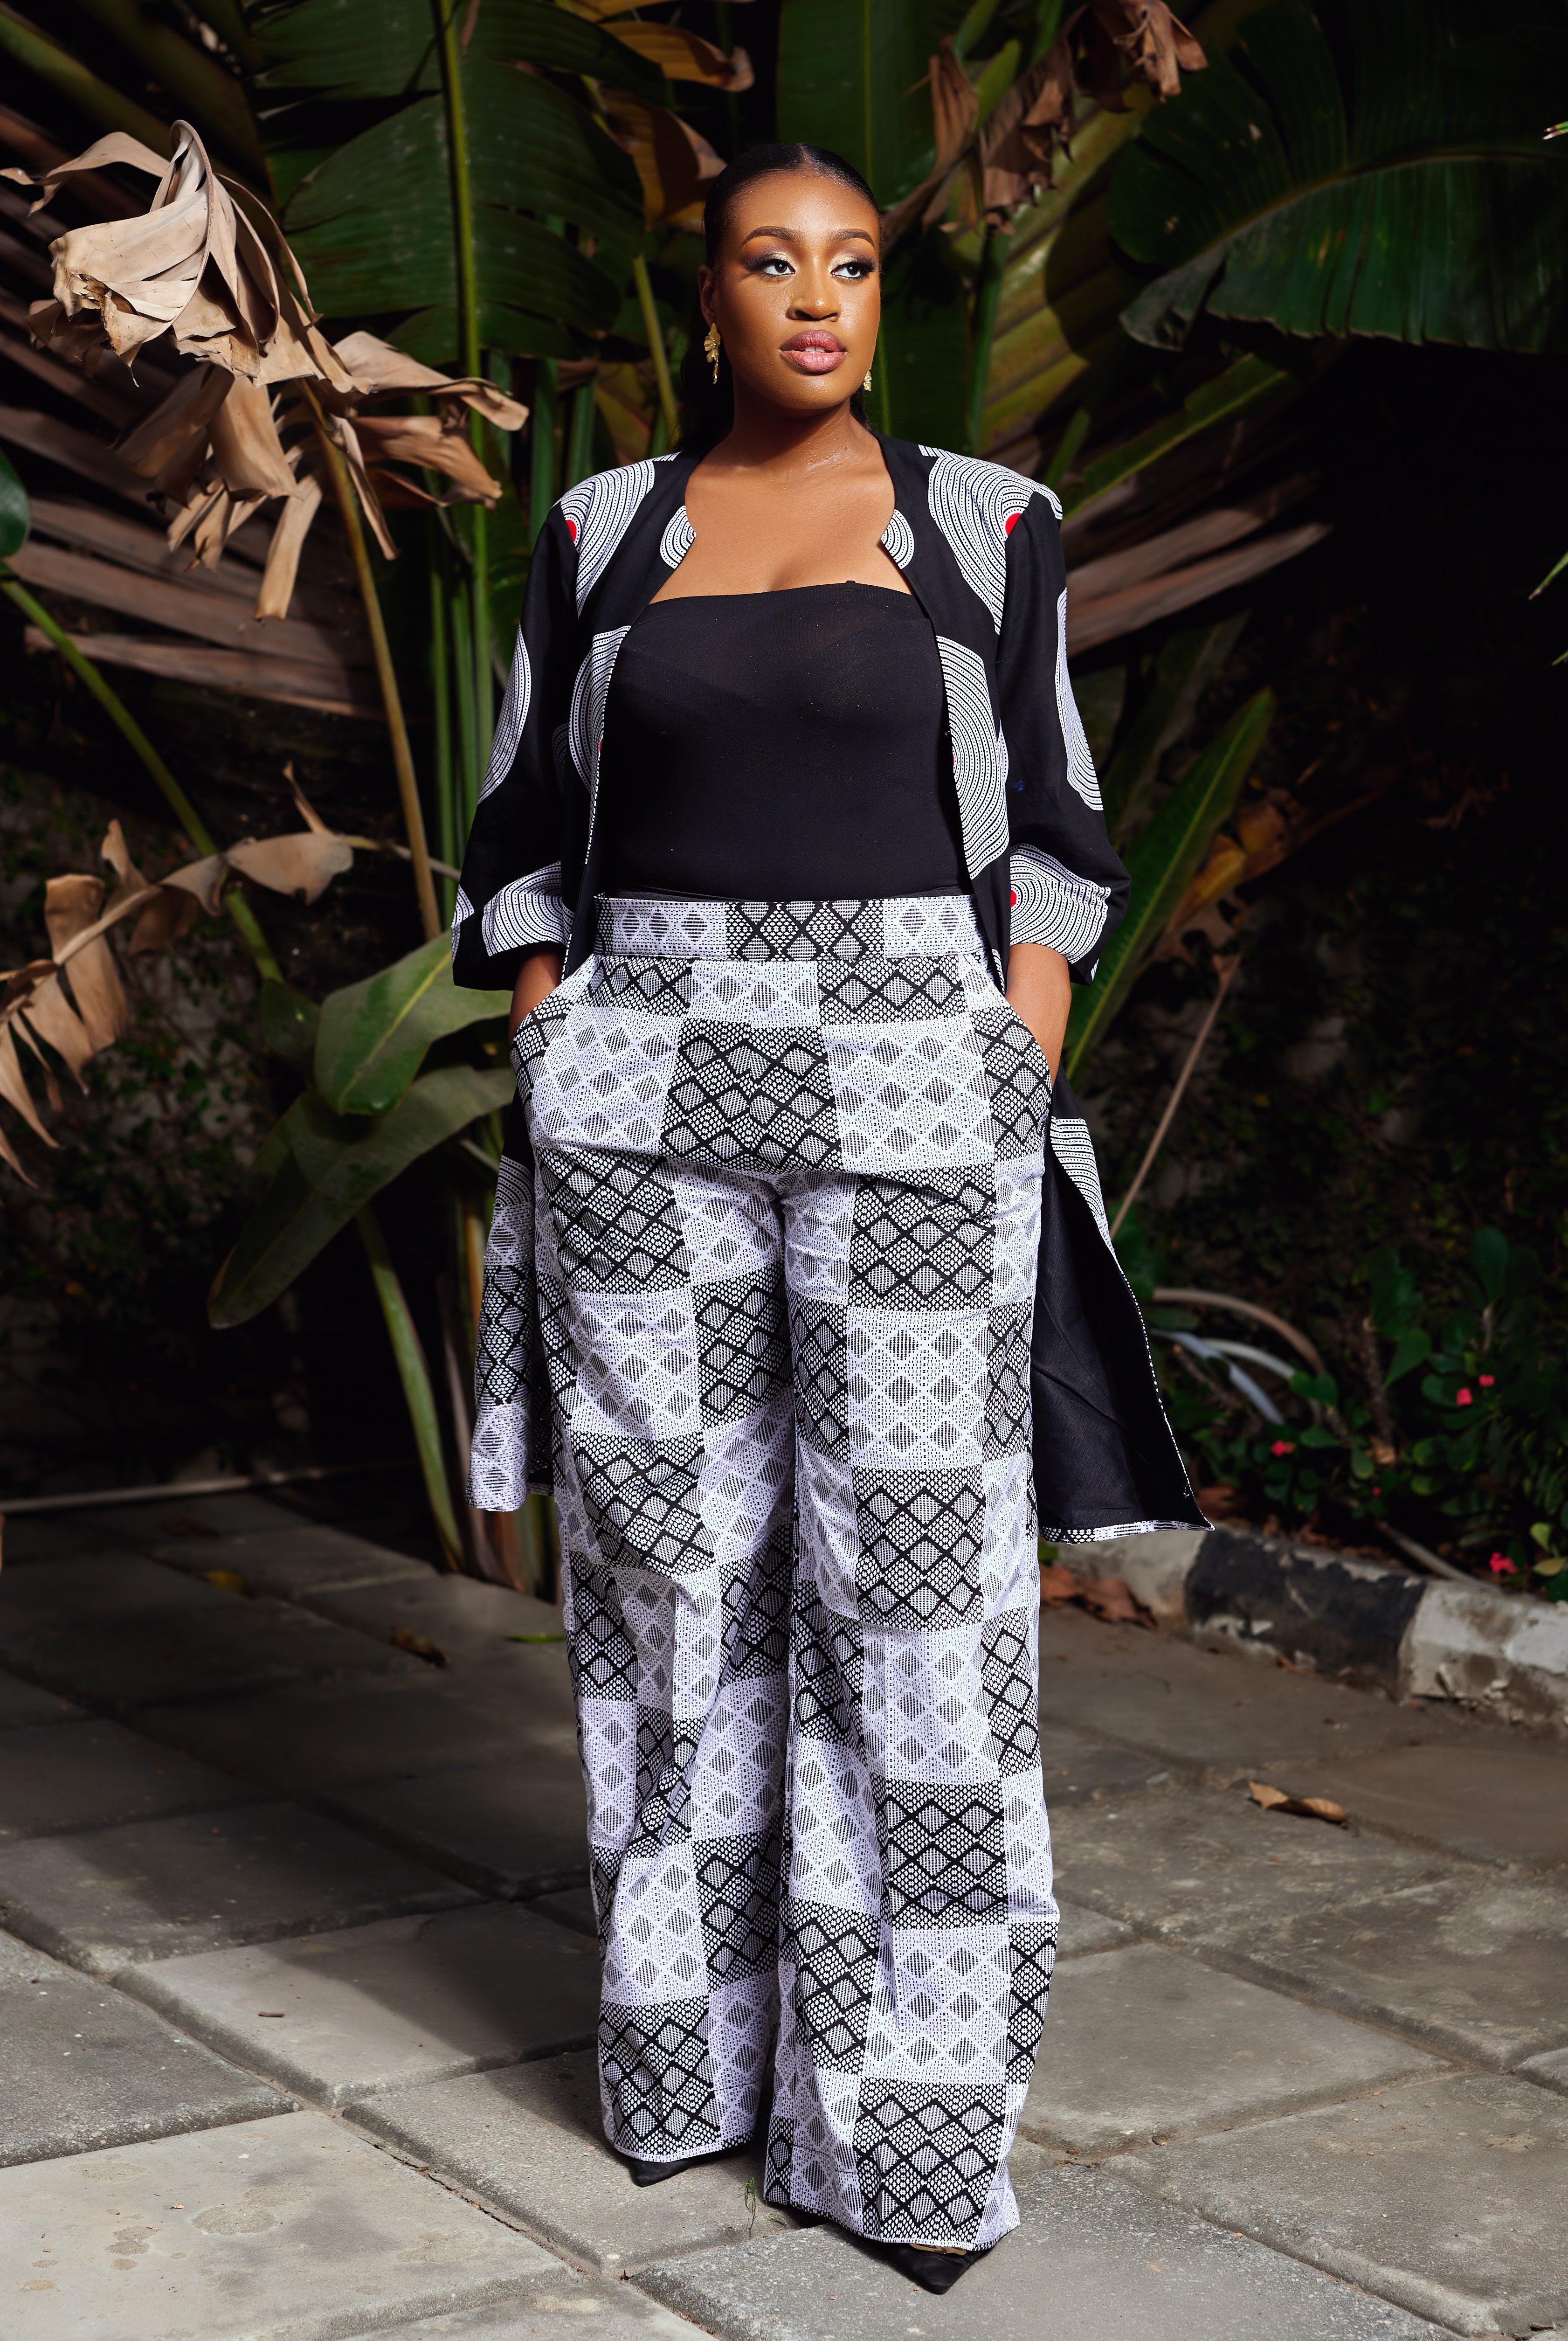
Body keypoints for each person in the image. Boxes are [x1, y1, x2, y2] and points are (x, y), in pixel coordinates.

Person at [453, 142, 1202, 2293]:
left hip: (914, 1084)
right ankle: (686, 2068)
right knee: (667, 1589)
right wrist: (556, 1028)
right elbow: (523, 828)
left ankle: (907, 2121)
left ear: (883, 298)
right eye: (771, 263)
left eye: (852, 266)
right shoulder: (600, 534)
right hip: (642, 1095)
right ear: (706, 297)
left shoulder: (990, 527)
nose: (814, 299)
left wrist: (1010, 1048)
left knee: (919, 1600)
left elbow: (1055, 832)